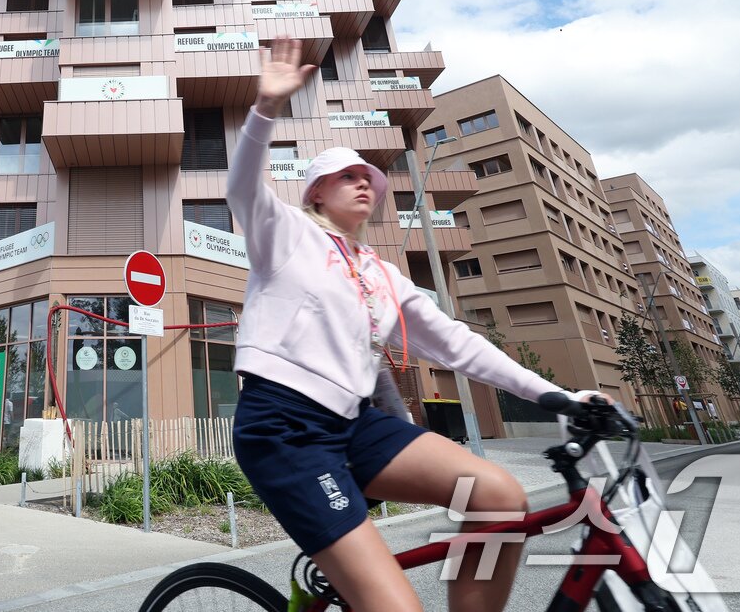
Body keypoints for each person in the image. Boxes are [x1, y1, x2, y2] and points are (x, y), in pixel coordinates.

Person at [227, 38, 604, 612]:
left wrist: (557, 397)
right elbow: (243, 188)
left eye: (369, 180)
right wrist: (266, 108)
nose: (364, 184)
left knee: (500, 495)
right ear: (317, 192)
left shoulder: (381, 274)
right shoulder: (284, 234)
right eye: (349, 175)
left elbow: (459, 344)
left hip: (355, 425)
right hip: (285, 429)